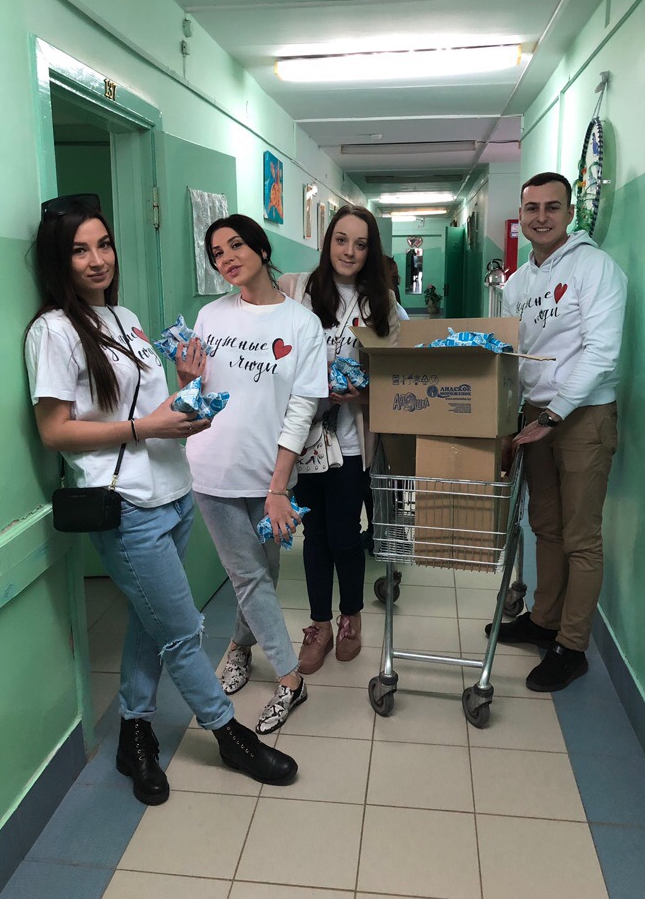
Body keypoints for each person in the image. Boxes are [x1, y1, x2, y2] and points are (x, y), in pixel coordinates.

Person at [24, 194, 298, 806]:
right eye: (80, 250)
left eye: (103, 244)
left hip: (173, 493)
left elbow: (146, 409)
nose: (98, 260)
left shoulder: (123, 318)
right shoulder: (54, 331)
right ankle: (229, 735)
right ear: (58, 261)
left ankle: (134, 733)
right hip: (125, 506)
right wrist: (147, 428)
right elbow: (55, 430)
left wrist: (186, 390)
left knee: (151, 623)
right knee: (181, 630)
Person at [180, 215, 328, 734]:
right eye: (216, 253)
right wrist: (185, 377)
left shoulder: (301, 325)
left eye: (236, 245)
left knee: (262, 571)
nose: (226, 258)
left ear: (262, 249)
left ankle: (241, 647)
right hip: (211, 468)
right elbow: (196, 394)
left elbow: (301, 409)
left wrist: (278, 487)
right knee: (248, 575)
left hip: (270, 475)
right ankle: (290, 677)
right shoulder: (210, 316)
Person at [486, 172, 627, 692]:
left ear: (570, 213)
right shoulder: (518, 283)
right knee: (545, 525)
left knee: (581, 537)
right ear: (521, 216)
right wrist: (514, 419)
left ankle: (572, 645)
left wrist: (554, 415)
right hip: (534, 416)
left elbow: (602, 351)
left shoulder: (596, 268)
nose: (541, 217)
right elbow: (511, 355)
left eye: (552, 207)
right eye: (532, 208)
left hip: (584, 416)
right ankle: (544, 620)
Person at [278, 205, 400, 674]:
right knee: (314, 537)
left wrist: (363, 393)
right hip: (303, 438)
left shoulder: (382, 303)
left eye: (361, 244)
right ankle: (319, 625)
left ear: (371, 251)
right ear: (327, 241)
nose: (349, 251)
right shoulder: (297, 290)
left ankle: (351, 618)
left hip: (350, 440)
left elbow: (401, 374)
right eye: (341, 240)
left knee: (346, 536)